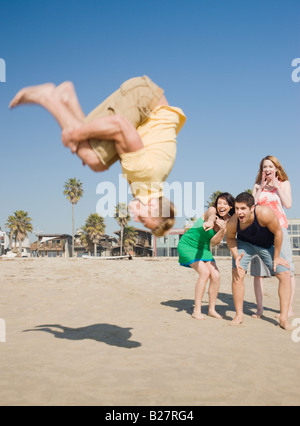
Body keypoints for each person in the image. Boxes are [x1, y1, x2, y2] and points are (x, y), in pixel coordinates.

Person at [9, 76, 186, 236]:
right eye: (145, 220)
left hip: (147, 106)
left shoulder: (147, 187)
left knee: (94, 158)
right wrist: (75, 135)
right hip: (143, 99)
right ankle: (49, 98)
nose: (137, 220)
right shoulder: (144, 174)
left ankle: (68, 98)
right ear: (153, 206)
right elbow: (119, 125)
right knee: (92, 157)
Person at [226, 192, 292, 331]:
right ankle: (239, 315)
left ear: (252, 208)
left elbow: (278, 232)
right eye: (237, 208)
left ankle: (283, 318)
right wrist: (236, 254)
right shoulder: (234, 220)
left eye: (243, 208)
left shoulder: (265, 213)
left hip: (267, 245)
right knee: (238, 273)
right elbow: (230, 238)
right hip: (245, 244)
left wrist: (277, 256)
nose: (239, 212)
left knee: (285, 274)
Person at [178, 192, 235, 320]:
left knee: (216, 275)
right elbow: (210, 215)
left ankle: (211, 310)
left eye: (225, 204)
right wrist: (210, 222)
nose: (221, 206)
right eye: (219, 202)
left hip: (203, 247)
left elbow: (214, 242)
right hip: (188, 245)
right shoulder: (212, 210)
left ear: (230, 207)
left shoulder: (228, 222)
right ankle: (196, 310)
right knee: (204, 273)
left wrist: (221, 230)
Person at [251, 155, 295, 318]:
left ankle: (288, 308)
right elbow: (252, 207)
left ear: (277, 168)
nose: (267, 169)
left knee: (287, 269)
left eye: (270, 166)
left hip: (279, 229)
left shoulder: (284, 184)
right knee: (258, 271)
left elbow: (288, 204)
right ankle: (260, 309)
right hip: (260, 231)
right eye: (264, 167)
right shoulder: (257, 186)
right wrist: (261, 188)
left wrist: (277, 186)